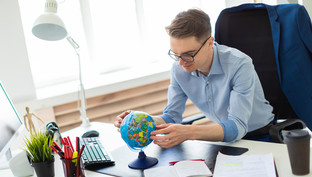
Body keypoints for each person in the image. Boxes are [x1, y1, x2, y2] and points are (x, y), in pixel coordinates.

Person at [114, 9, 274, 149]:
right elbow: (171, 117)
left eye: (189, 54)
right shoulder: (179, 68)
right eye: (175, 54)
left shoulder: (239, 64)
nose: (181, 62)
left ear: (210, 43)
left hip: (261, 138)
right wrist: (140, 121)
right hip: (223, 141)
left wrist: (188, 132)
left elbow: (237, 127)